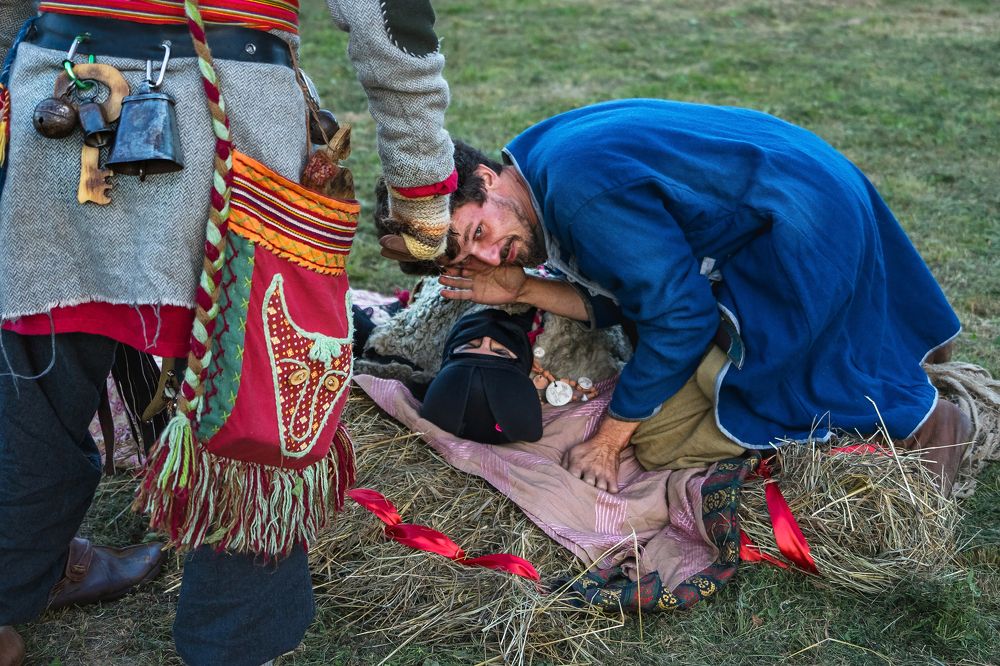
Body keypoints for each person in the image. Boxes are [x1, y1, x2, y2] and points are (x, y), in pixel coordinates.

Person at [0, 1, 455, 664]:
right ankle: (236, 646)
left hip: (60, 117)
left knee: (29, 391)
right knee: (255, 400)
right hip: (225, 139)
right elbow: (389, 20)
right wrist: (420, 189)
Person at [377, 98, 971, 497]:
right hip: (805, 190)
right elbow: (632, 291)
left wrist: (610, 441)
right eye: (465, 260)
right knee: (657, 348)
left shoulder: (580, 200)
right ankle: (885, 349)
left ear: (481, 181)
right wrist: (523, 287)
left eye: (477, 234)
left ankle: (925, 419)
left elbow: (679, 316)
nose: (488, 257)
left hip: (799, 237)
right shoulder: (533, 161)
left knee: (661, 441)